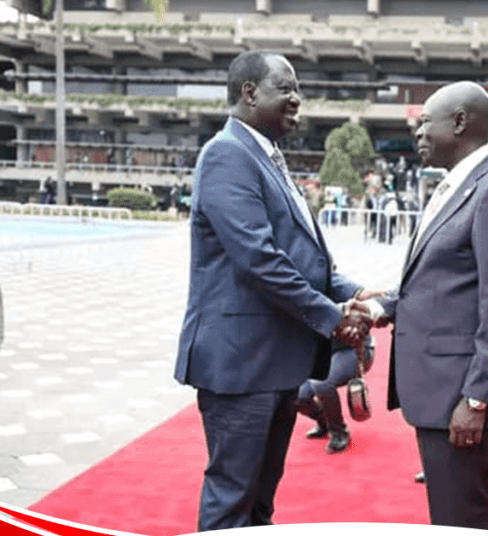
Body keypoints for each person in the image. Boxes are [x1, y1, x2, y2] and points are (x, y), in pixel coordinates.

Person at [174, 50, 371, 532]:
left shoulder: (266, 157)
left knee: (261, 501)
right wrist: (333, 316)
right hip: (240, 365)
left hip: (274, 362)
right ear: (248, 93)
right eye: (286, 88)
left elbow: (301, 257)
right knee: (231, 501)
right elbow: (259, 260)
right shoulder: (227, 155)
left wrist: (357, 291)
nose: (297, 98)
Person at [371, 82, 488, 530]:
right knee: (450, 512)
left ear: (461, 122)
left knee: (462, 516)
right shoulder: (455, 185)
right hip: (438, 388)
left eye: (426, 121)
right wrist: (381, 306)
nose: (418, 132)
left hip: (459, 394)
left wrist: (477, 398)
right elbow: (445, 281)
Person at [296, 336, 375, 454]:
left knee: (322, 383)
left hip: (351, 349)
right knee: (297, 396)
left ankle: (339, 431)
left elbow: (364, 321)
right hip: (321, 351)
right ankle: (324, 422)